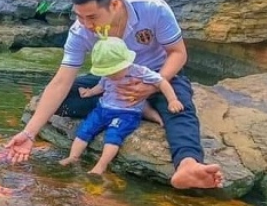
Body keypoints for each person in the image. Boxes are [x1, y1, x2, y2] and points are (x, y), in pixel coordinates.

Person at [4, 0, 224, 190]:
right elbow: (61, 81)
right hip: (111, 81)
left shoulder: (152, 8)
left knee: (178, 105)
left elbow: (178, 53)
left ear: (115, 4)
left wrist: (151, 85)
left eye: (92, 17)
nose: (87, 24)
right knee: (65, 97)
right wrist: (29, 133)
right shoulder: (79, 32)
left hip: (157, 74)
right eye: (79, 16)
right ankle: (137, 108)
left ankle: (187, 164)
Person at [58, 32, 184, 174]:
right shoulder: (107, 75)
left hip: (127, 113)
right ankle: (73, 157)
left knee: (113, 135)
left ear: (126, 62)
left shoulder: (140, 71)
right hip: (103, 108)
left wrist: (172, 100)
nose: (111, 75)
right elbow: (101, 85)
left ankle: (101, 165)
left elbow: (161, 81)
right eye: (107, 72)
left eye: (114, 72)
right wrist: (90, 92)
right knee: (85, 130)